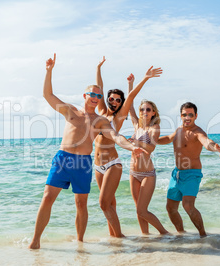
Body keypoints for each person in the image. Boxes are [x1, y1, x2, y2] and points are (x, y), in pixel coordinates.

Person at [29, 54, 147, 249]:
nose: (95, 98)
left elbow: (116, 137)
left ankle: (80, 242)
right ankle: (35, 241)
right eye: (92, 94)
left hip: (83, 163)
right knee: (48, 197)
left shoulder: (101, 121)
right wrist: (49, 71)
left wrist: (132, 147)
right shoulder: (70, 111)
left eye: (99, 96)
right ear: (85, 96)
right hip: (63, 159)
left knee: (81, 204)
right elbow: (48, 95)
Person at [94, 56, 163, 237]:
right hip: (97, 165)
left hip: (113, 163)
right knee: (109, 204)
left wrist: (144, 78)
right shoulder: (101, 112)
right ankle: (115, 237)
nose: (115, 102)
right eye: (112, 99)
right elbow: (99, 89)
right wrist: (98, 68)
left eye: (118, 100)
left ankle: (121, 237)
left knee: (105, 203)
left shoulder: (120, 116)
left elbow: (131, 98)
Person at [158, 102, 220, 237]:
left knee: (188, 205)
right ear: (181, 116)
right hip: (176, 174)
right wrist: (150, 140)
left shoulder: (197, 132)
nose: (187, 117)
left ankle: (203, 235)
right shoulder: (178, 130)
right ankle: (181, 234)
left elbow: (207, 142)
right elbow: (167, 138)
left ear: (195, 116)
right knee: (171, 208)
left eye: (190, 114)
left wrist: (216, 148)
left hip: (192, 174)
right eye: (184, 114)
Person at [128, 99, 170, 235]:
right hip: (133, 172)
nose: (144, 112)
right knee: (137, 209)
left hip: (147, 174)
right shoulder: (137, 127)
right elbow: (129, 105)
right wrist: (130, 83)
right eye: (142, 109)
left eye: (148, 109)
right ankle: (145, 236)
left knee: (142, 210)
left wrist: (136, 142)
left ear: (153, 113)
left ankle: (165, 233)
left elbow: (151, 147)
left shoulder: (154, 128)